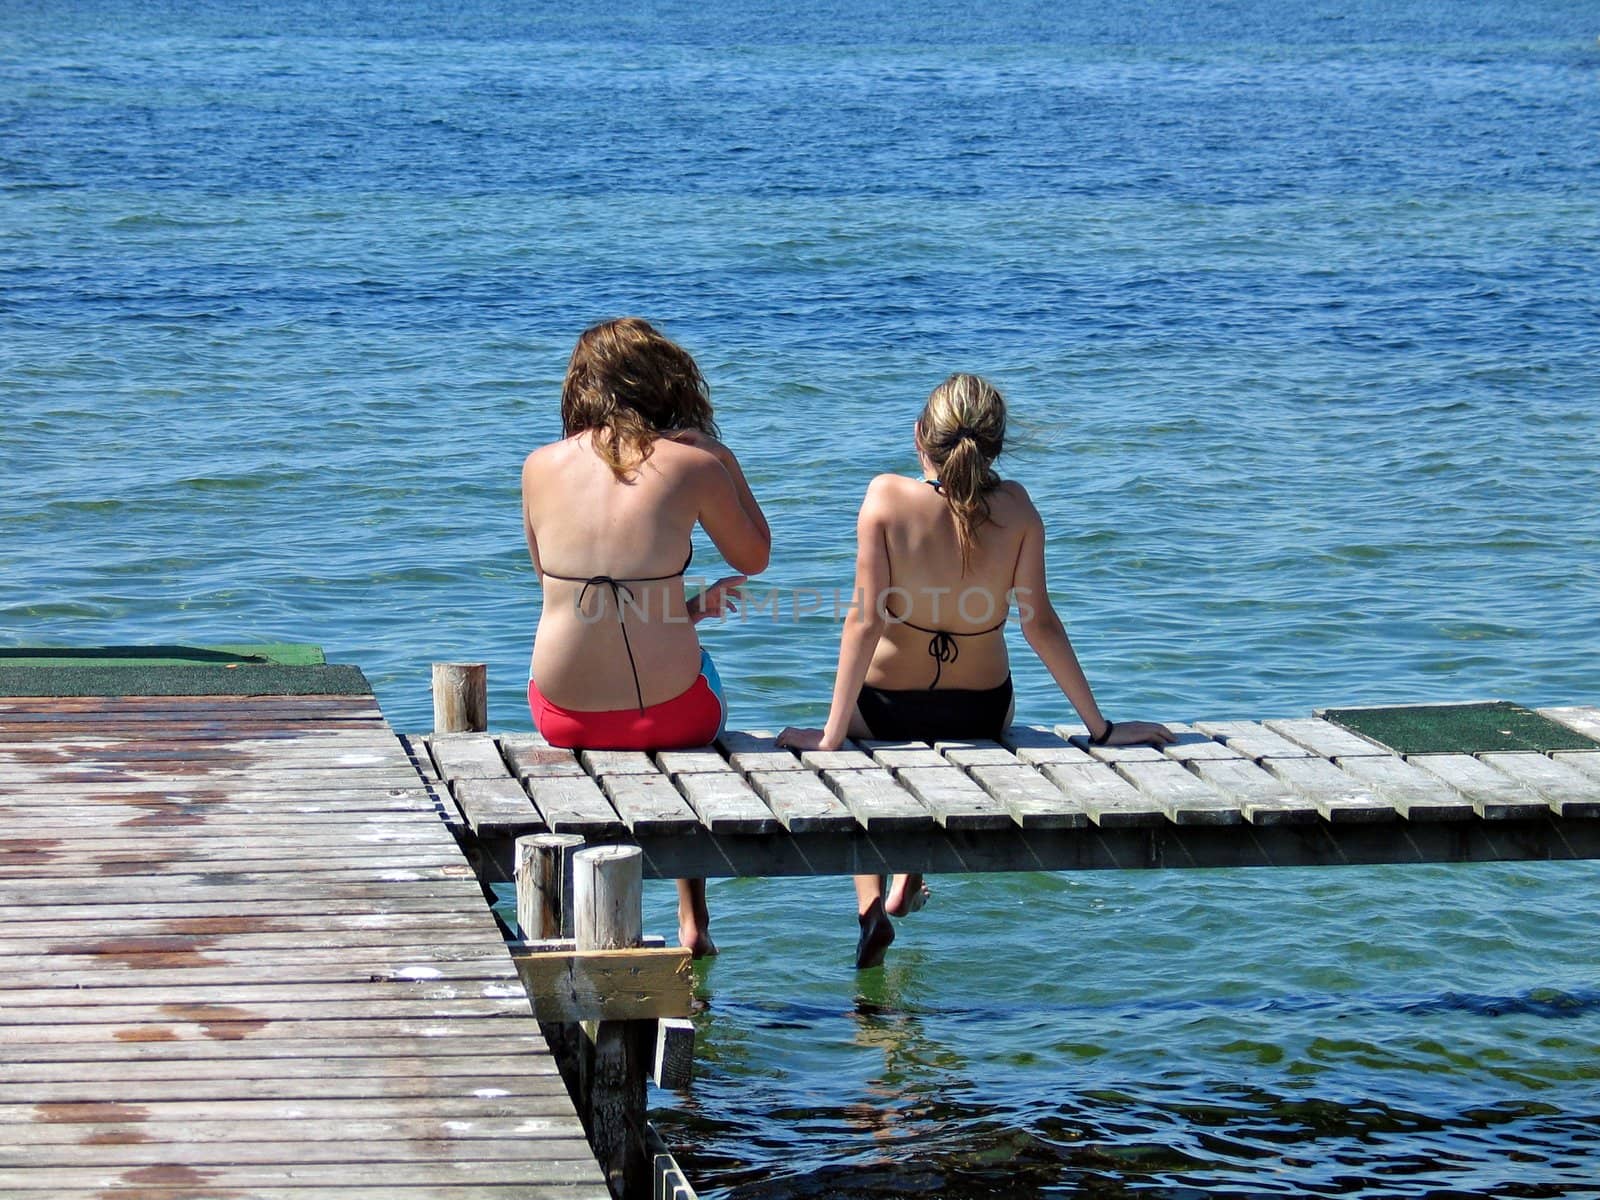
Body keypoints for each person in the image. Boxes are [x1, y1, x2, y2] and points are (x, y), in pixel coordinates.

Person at [777, 372, 1172, 968]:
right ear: (996, 445)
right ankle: (910, 874)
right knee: (932, 737)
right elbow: (1040, 626)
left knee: (861, 763)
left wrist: (831, 738)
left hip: (885, 707)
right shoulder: (1018, 509)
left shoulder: (885, 497)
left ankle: (871, 907)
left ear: (920, 438)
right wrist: (1103, 729)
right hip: (982, 707)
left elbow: (862, 624)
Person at [523, 317, 770, 957]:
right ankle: (694, 919)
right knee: (699, 669)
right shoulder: (692, 465)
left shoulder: (538, 468)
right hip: (675, 719)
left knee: (651, 650)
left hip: (561, 716)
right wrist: (721, 457)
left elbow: (574, 600)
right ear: (665, 386)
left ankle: (565, 920)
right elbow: (756, 555)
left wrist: (679, 608)